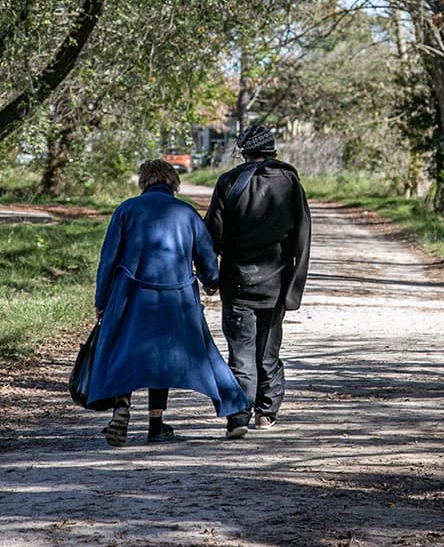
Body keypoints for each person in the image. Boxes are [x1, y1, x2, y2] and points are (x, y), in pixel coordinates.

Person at [88, 159, 248, 445]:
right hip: (178, 298)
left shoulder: (127, 210)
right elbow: (206, 255)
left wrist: (102, 300)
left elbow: (108, 260)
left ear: (143, 182)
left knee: (122, 349)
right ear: (173, 182)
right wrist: (211, 282)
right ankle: (232, 413)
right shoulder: (186, 213)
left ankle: (121, 408)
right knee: (204, 354)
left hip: (132, 295)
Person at [204, 125, 312, 439]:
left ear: (243, 150)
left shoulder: (228, 182)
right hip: (276, 283)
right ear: (272, 149)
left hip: (236, 282)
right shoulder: (290, 181)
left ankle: (238, 417)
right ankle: (266, 413)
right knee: (268, 351)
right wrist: (294, 287)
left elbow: (212, 233)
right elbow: (303, 236)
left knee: (240, 352)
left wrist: (210, 276)